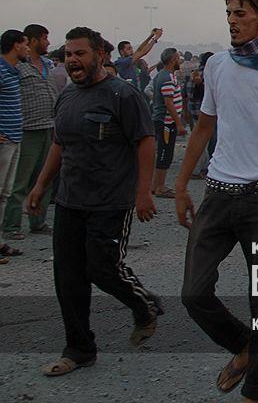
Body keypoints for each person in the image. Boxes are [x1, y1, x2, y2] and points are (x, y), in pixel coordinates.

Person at [175, 0, 258, 403]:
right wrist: (180, 184)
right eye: (229, 13)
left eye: (241, 13)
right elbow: (203, 127)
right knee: (193, 293)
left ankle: (255, 392)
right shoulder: (217, 65)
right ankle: (244, 346)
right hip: (218, 193)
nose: (232, 21)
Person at [25, 26, 162, 376]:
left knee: (102, 268)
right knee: (68, 277)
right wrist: (40, 186)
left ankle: (144, 305)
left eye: (80, 53)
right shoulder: (67, 97)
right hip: (70, 200)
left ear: (99, 55)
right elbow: (59, 144)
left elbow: (145, 141)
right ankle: (79, 349)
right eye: (69, 54)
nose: (72, 60)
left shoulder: (122, 95)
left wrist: (144, 191)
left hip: (110, 201)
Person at [3, 25, 56, 241]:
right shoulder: (18, 67)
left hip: (48, 127)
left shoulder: (47, 64)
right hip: (26, 130)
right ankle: (11, 225)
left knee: (44, 178)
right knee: (20, 181)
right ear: (33, 41)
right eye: (45, 38)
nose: (48, 42)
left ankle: (38, 221)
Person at [0, 29, 30, 263]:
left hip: (14, 137)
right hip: (4, 140)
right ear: (16, 45)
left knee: (5, 193)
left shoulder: (13, 71)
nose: (28, 48)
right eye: (25, 44)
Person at [150, 48, 186, 198]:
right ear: (172, 60)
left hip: (164, 121)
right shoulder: (167, 78)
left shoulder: (163, 75)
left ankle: (156, 185)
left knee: (164, 152)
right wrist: (179, 123)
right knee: (165, 153)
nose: (179, 61)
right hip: (166, 122)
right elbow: (169, 103)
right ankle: (160, 187)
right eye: (177, 58)